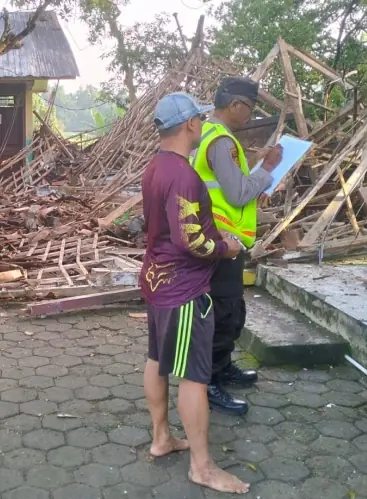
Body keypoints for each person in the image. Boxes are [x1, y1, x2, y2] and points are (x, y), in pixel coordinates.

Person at [140, 92, 247, 494]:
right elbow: (188, 239)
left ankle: (162, 437)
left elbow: (168, 226)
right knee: (195, 377)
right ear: (189, 125)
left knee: (157, 358)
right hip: (184, 288)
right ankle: (202, 467)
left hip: (155, 281)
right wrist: (225, 248)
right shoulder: (184, 175)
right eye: (200, 119)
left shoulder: (156, 167)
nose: (203, 125)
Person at [191, 76, 284, 416]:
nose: (251, 115)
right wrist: (269, 169)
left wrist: (259, 175)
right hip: (221, 242)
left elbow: (236, 188)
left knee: (228, 310)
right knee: (222, 313)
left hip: (221, 239)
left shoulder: (210, 135)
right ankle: (209, 382)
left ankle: (222, 367)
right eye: (250, 108)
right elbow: (238, 194)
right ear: (235, 105)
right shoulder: (220, 141)